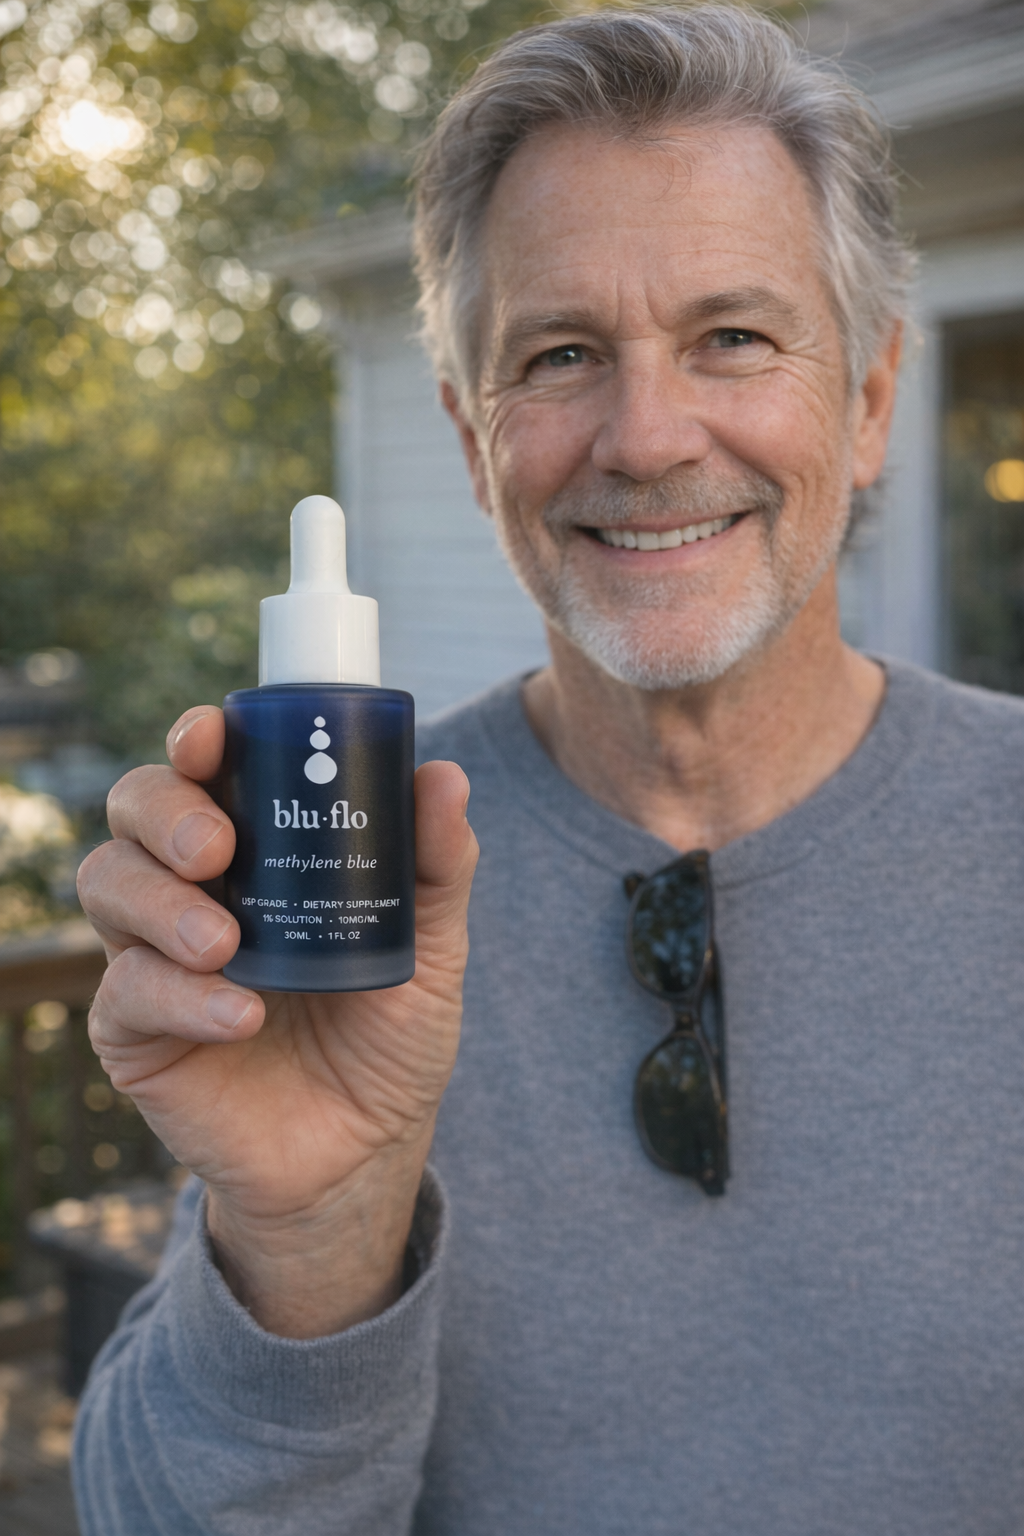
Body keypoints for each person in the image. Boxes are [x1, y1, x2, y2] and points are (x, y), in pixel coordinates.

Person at [72, 7, 1024, 1533]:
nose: (645, 437)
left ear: (866, 400)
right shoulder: (348, 888)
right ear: (472, 439)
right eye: (562, 354)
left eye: (733, 336)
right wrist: (310, 1241)